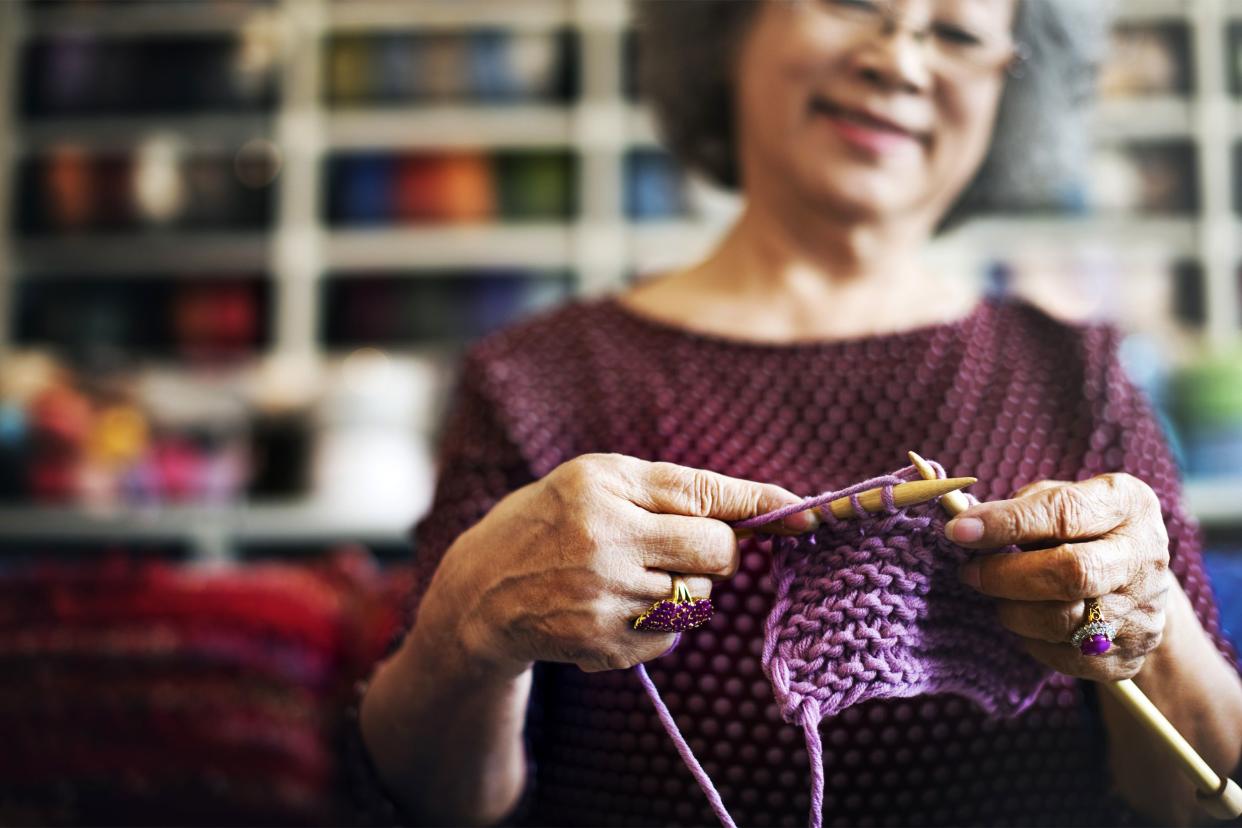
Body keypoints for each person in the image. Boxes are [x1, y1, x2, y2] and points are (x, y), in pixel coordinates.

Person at [352, 1, 1242, 825]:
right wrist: (471, 622)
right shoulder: (536, 381)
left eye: (958, 34)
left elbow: (1198, 798)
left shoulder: (1075, 378)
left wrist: (1132, 630)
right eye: (852, 0)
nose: (897, 60)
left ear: (1016, 82)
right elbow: (436, 801)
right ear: (732, 22)